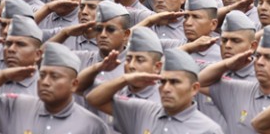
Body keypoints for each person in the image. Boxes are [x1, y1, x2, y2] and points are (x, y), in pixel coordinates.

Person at [0, 42, 110, 133]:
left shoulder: (91, 125)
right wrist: (3, 76)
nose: (45, 82)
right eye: (42, 75)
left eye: (54, 76)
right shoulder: (19, 106)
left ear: (74, 84)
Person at [86, 48, 224, 133]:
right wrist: (125, 79)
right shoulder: (144, 111)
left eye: (175, 82)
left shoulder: (207, 129)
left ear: (194, 89)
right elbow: (93, 99)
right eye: (162, 82)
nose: (166, 88)